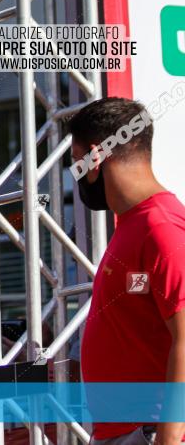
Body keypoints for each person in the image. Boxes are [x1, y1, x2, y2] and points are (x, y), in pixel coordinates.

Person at [69, 98, 185, 445]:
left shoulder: (160, 227)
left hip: (146, 434)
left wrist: (167, 439)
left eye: (77, 164)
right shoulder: (135, 225)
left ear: (95, 156)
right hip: (122, 433)